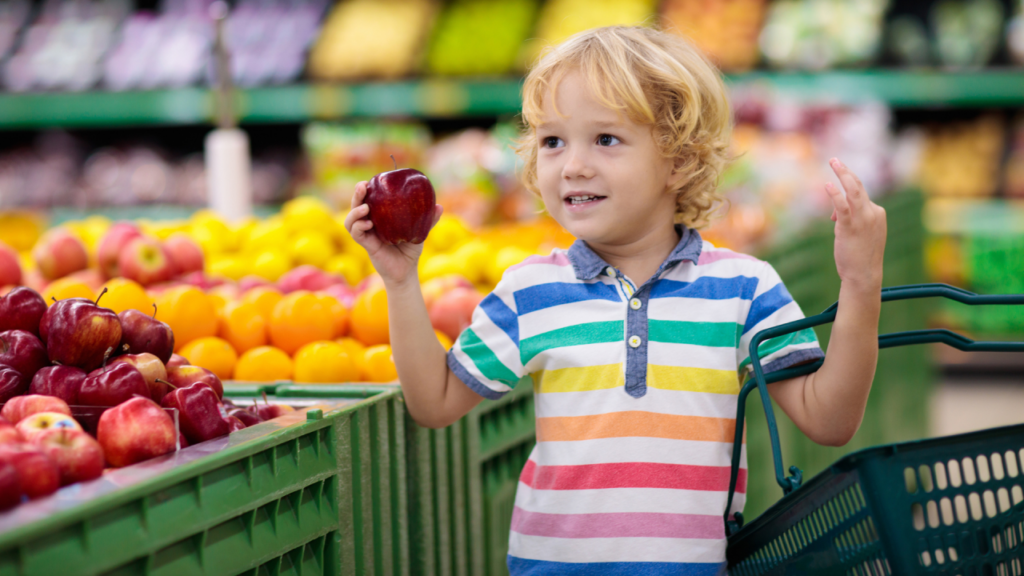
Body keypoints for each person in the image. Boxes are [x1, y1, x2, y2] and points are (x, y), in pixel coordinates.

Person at [345, 25, 887, 576]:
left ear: (679, 161)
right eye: (553, 141)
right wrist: (400, 282)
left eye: (605, 139)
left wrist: (862, 284)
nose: (572, 165)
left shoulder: (744, 288)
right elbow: (433, 403)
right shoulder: (530, 291)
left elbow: (829, 419)